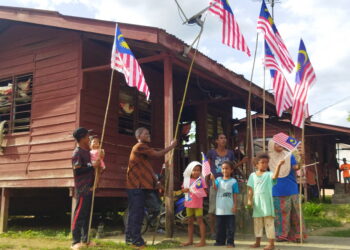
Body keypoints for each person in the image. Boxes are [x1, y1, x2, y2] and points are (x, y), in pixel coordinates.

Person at [126, 127, 176, 249]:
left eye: (148, 132)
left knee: (135, 213)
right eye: (145, 133)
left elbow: (148, 170)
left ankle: (130, 239)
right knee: (137, 213)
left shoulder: (143, 153)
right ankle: (136, 241)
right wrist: (172, 146)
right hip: (137, 187)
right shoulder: (139, 146)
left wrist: (157, 183)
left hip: (140, 187)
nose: (148, 134)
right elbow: (157, 154)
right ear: (139, 136)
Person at [268, 140, 306, 242]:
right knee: (280, 214)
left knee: (295, 213)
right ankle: (281, 235)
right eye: (276, 143)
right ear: (271, 145)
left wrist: (300, 159)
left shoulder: (289, 155)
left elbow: (296, 167)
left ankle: (298, 235)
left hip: (291, 188)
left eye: (280, 143)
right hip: (276, 189)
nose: (279, 145)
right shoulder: (268, 157)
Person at [71, 127, 100, 250]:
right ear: (82, 138)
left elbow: (94, 166)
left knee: (87, 214)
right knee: (79, 214)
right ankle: (75, 242)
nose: (89, 138)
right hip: (82, 188)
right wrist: (91, 166)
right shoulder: (77, 153)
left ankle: (86, 240)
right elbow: (77, 171)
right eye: (88, 136)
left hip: (90, 187)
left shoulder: (88, 152)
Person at [247, 153, 284, 250]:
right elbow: (250, 189)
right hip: (257, 203)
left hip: (267, 202)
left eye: (266, 163)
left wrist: (279, 166)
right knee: (257, 223)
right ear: (256, 164)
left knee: (269, 223)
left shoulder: (269, 174)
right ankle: (257, 242)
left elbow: (275, 177)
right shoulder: (252, 175)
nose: (264, 164)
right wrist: (249, 200)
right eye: (262, 162)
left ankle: (271, 244)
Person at [206, 134, 235, 238]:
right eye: (221, 138)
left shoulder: (230, 153)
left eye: (225, 138)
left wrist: (241, 162)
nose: (224, 140)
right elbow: (207, 168)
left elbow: (232, 167)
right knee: (213, 209)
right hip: (214, 183)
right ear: (216, 141)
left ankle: (225, 231)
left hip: (227, 184)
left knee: (226, 207)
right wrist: (206, 183)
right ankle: (213, 232)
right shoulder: (211, 153)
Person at [210, 161, 239, 247]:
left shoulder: (233, 181)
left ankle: (230, 242)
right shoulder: (218, 180)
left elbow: (235, 194)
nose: (225, 170)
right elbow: (215, 188)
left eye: (227, 168)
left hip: (229, 209)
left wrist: (235, 205)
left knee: (230, 227)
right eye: (223, 168)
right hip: (220, 209)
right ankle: (220, 241)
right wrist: (213, 179)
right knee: (219, 226)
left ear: (231, 170)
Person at [181, 161, 207, 247]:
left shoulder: (201, 180)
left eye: (198, 170)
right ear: (190, 171)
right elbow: (183, 189)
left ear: (200, 171)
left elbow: (205, 190)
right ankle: (190, 240)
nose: (196, 172)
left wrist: (198, 191)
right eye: (194, 170)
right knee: (190, 222)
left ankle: (203, 241)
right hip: (188, 202)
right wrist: (184, 190)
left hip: (198, 203)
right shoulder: (186, 180)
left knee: (200, 220)